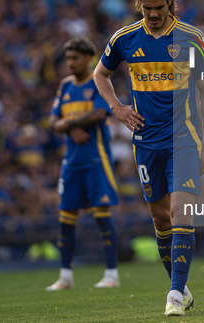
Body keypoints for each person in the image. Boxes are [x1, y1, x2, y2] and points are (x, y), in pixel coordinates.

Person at [93, 0, 204, 316]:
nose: (153, 14)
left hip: (184, 139)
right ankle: (182, 287)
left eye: (159, 7)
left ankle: (174, 294)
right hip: (146, 141)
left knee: (181, 212)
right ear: (139, 6)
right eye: (146, 8)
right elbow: (99, 74)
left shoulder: (191, 38)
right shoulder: (125, 39)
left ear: (170, 3)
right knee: (161, 219)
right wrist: (116, 108)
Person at [46, 37, 120, 290]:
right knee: (65, 219)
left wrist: (68, 124)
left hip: (96, 161)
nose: (70, 63)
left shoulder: (97, 83)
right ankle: (65, 276)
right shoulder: (65, 86)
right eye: (68, 59)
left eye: (75, 58)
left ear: (89, 58)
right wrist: (71, 127)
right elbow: (52, 122)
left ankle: (112, 274)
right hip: (71, 163)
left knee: (101, 217)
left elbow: (100, 113)